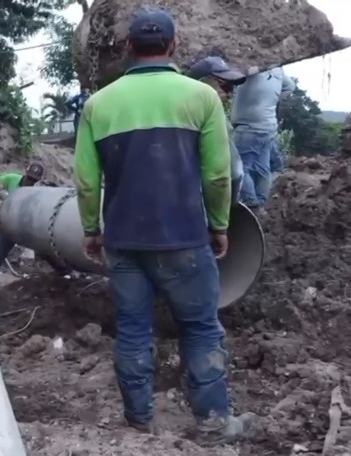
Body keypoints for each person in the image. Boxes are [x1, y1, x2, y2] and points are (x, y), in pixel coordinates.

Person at [73, 7, 256, 445]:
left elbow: (84, 179)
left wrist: (92, 229)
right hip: (184, 238)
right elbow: (218, 175)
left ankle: (139, 421)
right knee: (200, 327)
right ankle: (213, 423)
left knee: (133, 328)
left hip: (123, 241)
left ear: (129, 48)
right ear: (173, 47)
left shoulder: (99, 104)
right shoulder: (201, 97)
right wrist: (220, 224)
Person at [0, 162, 71, 308]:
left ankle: (66, 274)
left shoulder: (38, 191)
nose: (30, 181)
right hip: (9, 224)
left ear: (39, 179)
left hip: (27, 227)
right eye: (29, 178)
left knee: (45, 250)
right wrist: (2, 192)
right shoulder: (12, 179)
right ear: (25, 172)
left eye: (34, 180)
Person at [230, 66, 295, 212]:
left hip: (249, 127)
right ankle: (260, 206)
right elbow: (290, 86)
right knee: (262, 168)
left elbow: (234, 76)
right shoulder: (278, 70)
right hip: (268, 126)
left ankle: (251, 204)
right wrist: (270, 101)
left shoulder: (253, 67)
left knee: (239, 168)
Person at [186, 56, 247, 205]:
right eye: (225, 86)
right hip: (197, 208)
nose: (230, 93)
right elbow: (233, 174)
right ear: (203, 82)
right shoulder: (214, 116)